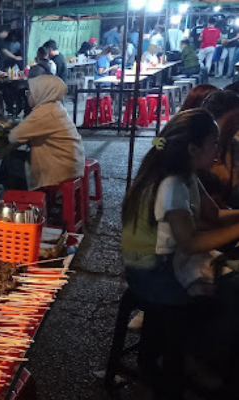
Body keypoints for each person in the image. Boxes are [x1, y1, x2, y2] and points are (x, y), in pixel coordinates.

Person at [121, 109, 239, 397]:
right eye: (214, 143)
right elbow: (189, 242)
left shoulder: (187, 175)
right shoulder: (171, 183)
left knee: (228, 284)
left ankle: (177, 355)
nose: (218, 150)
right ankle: (185, 361)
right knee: (228, 294)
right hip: (152, 272)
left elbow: (213, 217)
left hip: (165, 261)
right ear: (192, 148)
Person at [7, 75, 85, 189]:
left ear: (41, 93)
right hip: (71, 163)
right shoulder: (56, 107)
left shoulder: (43, 113)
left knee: (10, 162)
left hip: (60, 168)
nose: (27, 95)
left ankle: (22, 200)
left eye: (30, 92)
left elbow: (13, 137)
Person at [197, 90, 239, 208]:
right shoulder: (196, 151)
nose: (237, 124)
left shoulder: (234, 146)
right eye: (231, 120)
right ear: (212, 120)